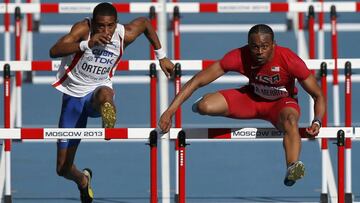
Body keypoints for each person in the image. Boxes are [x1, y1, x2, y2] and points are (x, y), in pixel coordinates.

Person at [158, 24, 325, 187]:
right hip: (251, 100)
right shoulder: (239, 55)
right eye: (255, 47)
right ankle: (205, 100)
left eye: (265, 47)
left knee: (290, 121)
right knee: (205, 106)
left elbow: (318, 95)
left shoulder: (289, 59)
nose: (259, 52)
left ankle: (292, 166)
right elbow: (197, 81)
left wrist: (317, 121)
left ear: (274, 45)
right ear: (248, 45)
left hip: (280, 105)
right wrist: (170, 111)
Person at [49, 2, 174, 202]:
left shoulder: (124, 34)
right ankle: (83, 180)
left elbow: (144, 24)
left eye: (110, 26)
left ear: (116, 23)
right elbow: (54, 50)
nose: (106, 31)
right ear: (93, 23)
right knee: (62, 168)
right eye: (100, 26)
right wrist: (87, 44)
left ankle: (108, 116)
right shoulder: (83, 29)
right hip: (73, 96)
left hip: (97, 92)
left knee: (105, 94)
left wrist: (162, 56)